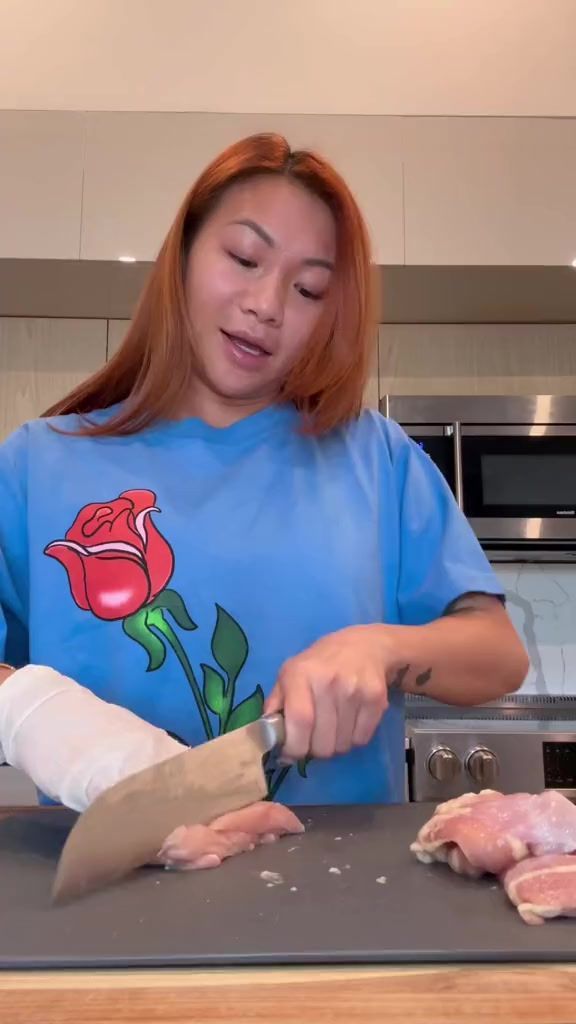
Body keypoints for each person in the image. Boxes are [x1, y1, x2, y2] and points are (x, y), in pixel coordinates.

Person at [0, 133, 528, 833]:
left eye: (308, 288)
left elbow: (498, 655)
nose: (267, 304)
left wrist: (384, 649)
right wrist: (63, 732)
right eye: (244, 258)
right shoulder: (38, 465)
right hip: (105, 910)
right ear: (184, 254)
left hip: (339, 908)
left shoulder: (377, 458)